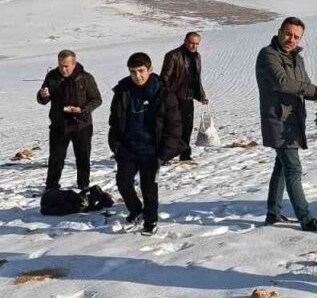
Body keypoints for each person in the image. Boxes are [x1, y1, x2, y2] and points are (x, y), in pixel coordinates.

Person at [255, 16, 317, 232]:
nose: (291, 39)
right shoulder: (268, 55)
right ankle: (306, 219)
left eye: (296, 37)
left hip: (294, 121)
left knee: (281, 167)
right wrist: (316, 90)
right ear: (279, 32)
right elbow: (282, 82)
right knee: (293, 168)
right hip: (277, 120)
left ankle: (273, 213)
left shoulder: (297, 58)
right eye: (288, 34)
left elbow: (304, 86)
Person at [107, 53, 183, 235]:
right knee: (123, 183)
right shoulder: (123, 91)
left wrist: (163, 154)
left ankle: (151, 220)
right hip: (127, 148)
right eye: (133, 72)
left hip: (152, 150)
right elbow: (114, 121)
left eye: (141, 71)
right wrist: (116, 146)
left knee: (149, 188)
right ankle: (135, 211)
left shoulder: (163, 93)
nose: (137, 76)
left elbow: (174, 126)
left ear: (150, 69)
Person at [37, 50, 103, 198]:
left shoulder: (85, 78)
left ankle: (83, 184)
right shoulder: (52, 76)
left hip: (82, 125)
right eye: (60, 65)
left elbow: (97, 99)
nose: (63, 69)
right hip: (59, 125)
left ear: (74, 63)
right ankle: (51, 186)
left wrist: (82, 109)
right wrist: (42, 95)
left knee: (83, 157)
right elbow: (43, 98)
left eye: (66, 66)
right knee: (56, 158)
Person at [161, 32, 210, 162]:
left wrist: (201, 95)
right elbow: (164, 78)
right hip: (174, 97)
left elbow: (196, 78)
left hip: (188, 97)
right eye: (191, 43)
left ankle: (185, 154)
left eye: (197, 43)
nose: (194, 46)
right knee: (171, 127)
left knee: (187, 127)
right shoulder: (173, 55)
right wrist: (166, 97)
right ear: (185, 41)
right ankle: (165, 155)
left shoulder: (197, 57)